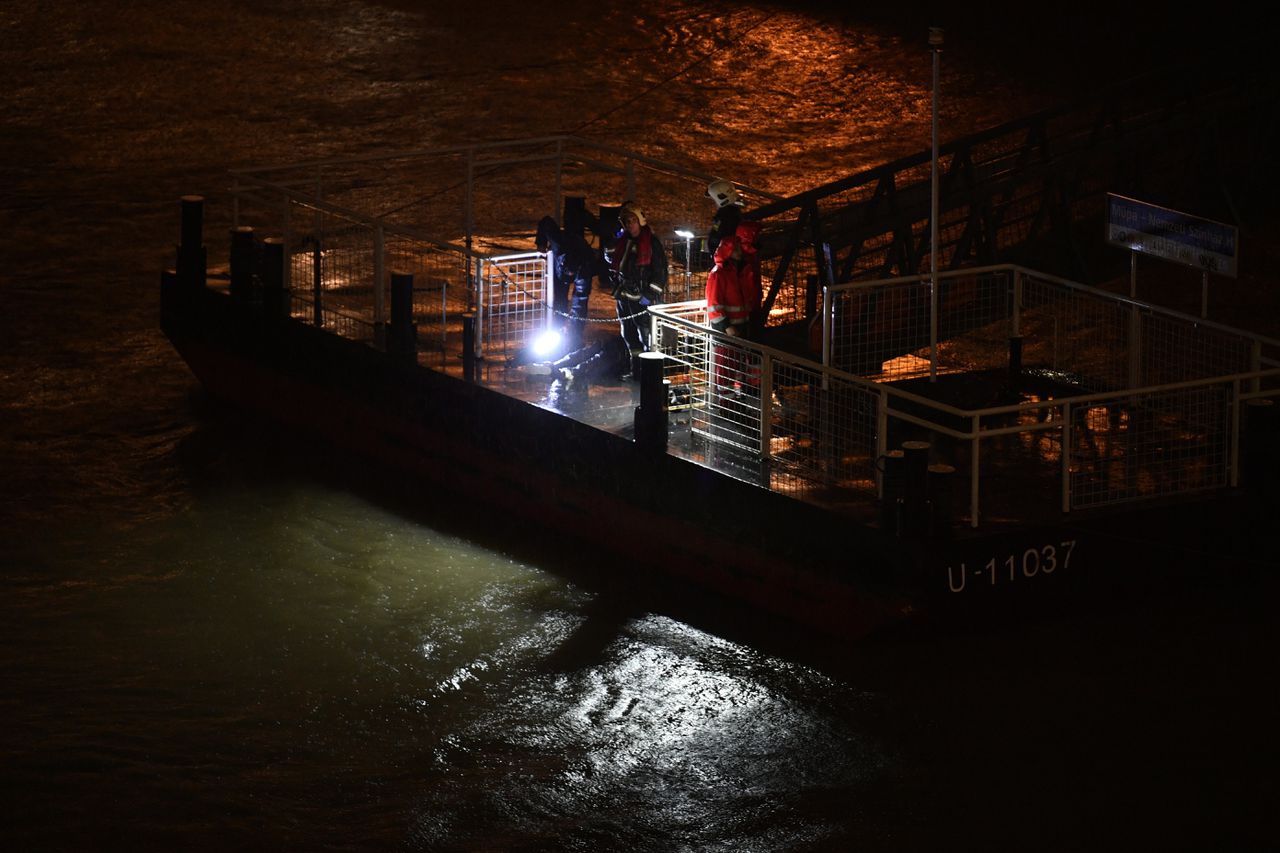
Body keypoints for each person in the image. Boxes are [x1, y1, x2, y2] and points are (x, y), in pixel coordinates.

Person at [606, 201, 667, 374]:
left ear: (640, 220)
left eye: (632, 220)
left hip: (642, 300)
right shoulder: (622, 242)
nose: (629, 225)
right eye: (626, 222)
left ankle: (650, 374)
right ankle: (636, 371)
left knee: (647, 336)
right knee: (629, 335)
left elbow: (660, 273)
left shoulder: (652, 243)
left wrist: (649, 294)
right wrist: (613, 240)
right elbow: (610, 259)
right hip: (624, 297)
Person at [706, 220, 763, 396]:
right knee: (726, 371)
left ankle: (739, 404)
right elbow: (714, 304)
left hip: (742, 328)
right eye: (737, 249)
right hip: (727, 332)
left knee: (740, 368)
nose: (741, 251)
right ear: (729, 251)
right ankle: (727, 407)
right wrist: (726, 327)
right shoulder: (719, 274)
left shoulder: (741, 270)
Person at [535, 214, 598, 352]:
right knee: (559, 300)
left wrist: (574, 336)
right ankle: (557, 330)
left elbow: (579, 305)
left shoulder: (585, 269)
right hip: (559, 269)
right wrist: (541, 243)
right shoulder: (558, 243)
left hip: (582, 265)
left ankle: (575, 338)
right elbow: (546, 221)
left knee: (579, 306)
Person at [704, 178, 743, 256]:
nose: (714, 203)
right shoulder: (733, 213)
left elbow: (719, 237)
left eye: (714, 199)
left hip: (725, 259)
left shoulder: (725, 216)